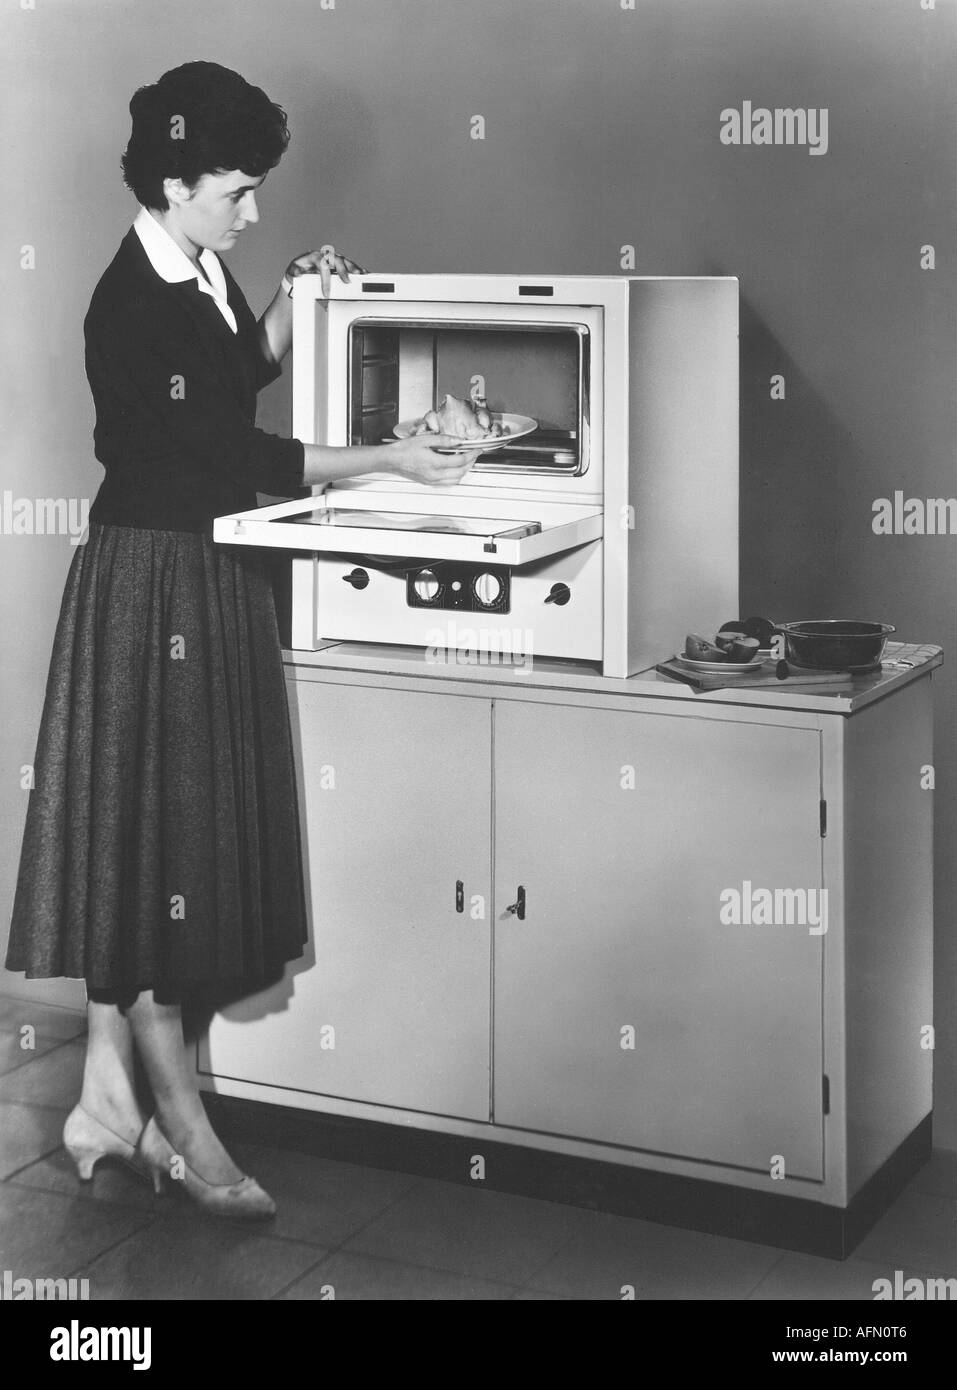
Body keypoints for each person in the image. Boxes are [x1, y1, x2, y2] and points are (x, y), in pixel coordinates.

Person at [4, 61, 475, 1219]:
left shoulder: (194, 266)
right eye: (237, 192)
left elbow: (232, 376)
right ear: (173, 182)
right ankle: (184, 1129)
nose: (253, 214)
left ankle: (105, 1105)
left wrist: (287, 303)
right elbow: (239, 457)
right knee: (158, 858)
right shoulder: (133, 301)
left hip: (202, 574)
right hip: (152, 580)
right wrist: (395, 456)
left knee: (172, 849)